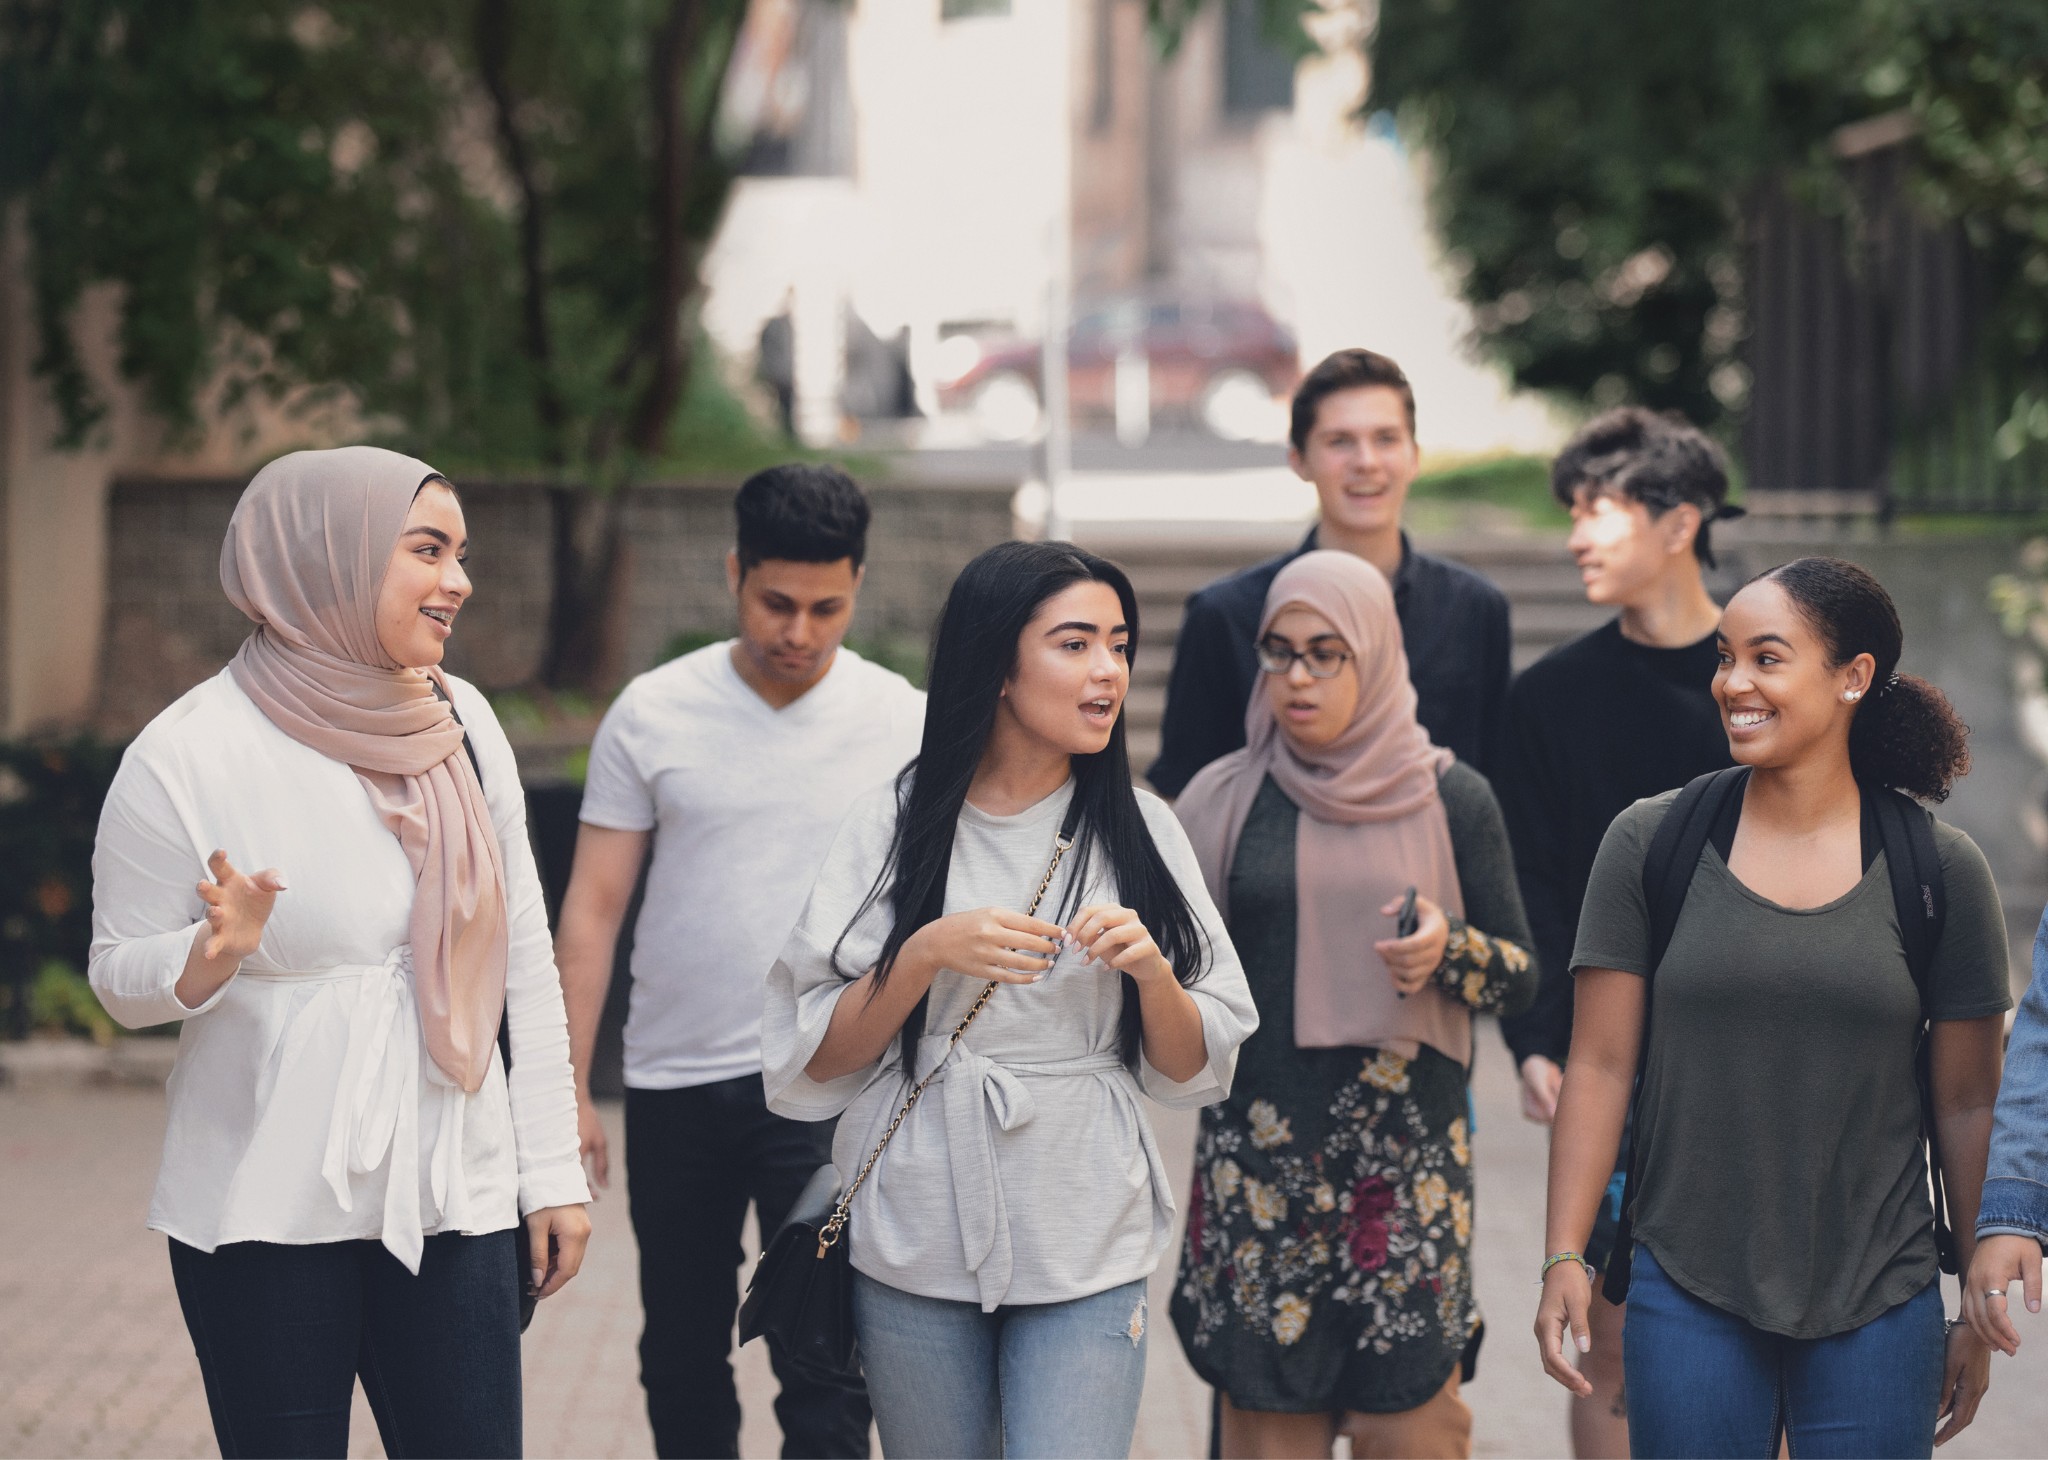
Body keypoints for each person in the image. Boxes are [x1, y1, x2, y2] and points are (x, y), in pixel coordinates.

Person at [88, 447, 591, 1459]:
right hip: (261, 1203)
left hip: (455, 1187)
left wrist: (550, 1170)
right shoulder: (187, 752)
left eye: (460, 552)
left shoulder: (462, 722)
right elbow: (116, 978)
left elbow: (521, 963)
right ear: (329, 555)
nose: (458, 579)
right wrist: (206, 953)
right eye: (427, 549)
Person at [761, 540, 1258, 1458]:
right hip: (915, 1217)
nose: (1107, 670)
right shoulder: (897, 822)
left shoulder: (1143, 827)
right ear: (996, 663)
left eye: (1117, 643)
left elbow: (1192, 1066)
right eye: (1074, 644)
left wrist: (1152, 974)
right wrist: (921, 958)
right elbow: (816, 1056)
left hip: (1085, 1221)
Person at [1535, 556, 2007, 1458]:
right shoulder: (1649, 843)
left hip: (1882, 1293)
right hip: (1686, 1283)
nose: (1732, 683)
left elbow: (1968, 1102)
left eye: (1766, 658)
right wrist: (1565, 1253)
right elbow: (1598, 1064)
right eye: (1723, 657)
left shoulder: (1941, 873)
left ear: (1854, 677)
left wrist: (1975, 1313)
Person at [558, 463, 921, 1458]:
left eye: (826, 606)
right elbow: (591, 907)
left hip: (830, 1083)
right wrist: (565, 1088)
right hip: (675, 1081)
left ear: (855, 587)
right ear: (733, 573)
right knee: (678, 1351)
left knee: (825, 1362)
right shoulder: (652, 710)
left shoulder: (902, 719)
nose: (798, 630)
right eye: (775, 602)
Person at [1170, 551, 1537, 1459]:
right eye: (1279, 652)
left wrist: (1448, 950)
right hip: (1259, 1170)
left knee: (1411, 1432)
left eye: (1326, 653)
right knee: (1266, 1437)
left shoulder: (1453, 797)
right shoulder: (1222, 799)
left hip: (1403, 1175)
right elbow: (1179, 977)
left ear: (1375, 656)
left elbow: (1523, 976)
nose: (1297, 677)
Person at [1495, 408, 1740, 1456]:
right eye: (1571, 513)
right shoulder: (1548, 697)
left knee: (1766, 1332)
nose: (1575, 536)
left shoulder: (1770, 675)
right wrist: (1538, 1036)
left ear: (1678, 520)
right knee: (1608, 1335)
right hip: (1612, 1060)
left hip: (1758, 1055)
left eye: (1598, 510)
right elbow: (1529, 883)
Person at [1148, 348, 1510, 797]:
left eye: (1385, 439)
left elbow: (1498, 779)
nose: (1366, 462)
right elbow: (1184, 792)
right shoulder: (1222, 615)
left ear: (1414, 456)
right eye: (1340, 441)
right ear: (1299, 461)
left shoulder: (1474, 609)